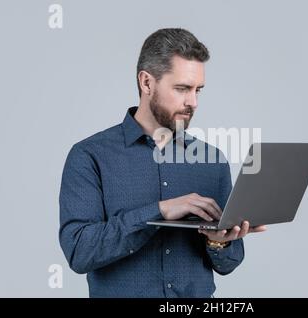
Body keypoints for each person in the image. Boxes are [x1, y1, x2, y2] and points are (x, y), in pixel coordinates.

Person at [59, 28, 266, 298]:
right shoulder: (89, 156)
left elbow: (229, 263)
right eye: (182, 89)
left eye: (198, 90)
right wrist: (159, 211)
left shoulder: (212, 161)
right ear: (147, 83)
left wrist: (219, 243)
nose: (192, 102)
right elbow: (79, 251)